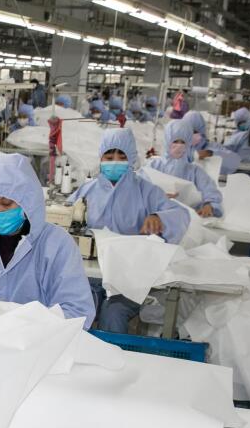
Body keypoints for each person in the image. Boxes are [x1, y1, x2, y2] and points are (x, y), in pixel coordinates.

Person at [0, 152, 94, 324]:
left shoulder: (56, 245)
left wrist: (23, 329)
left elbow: (77, 311)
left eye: (6, 203)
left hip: (38, 346)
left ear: (27, 200)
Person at [69, 128, 188, 333]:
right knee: (79, 310)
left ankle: (112, 362)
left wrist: (158, 217)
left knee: (113, 313)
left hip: (128, 278)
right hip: (90, 276)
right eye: (109, 155)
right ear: (101, 157)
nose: (114, 160)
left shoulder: (146, 191)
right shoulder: (86, 191)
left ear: (131, 158)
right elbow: (64, 216)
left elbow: (180, 215)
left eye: (121, 156)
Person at [145, 118, 222, 218]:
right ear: (167, 141)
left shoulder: (195, 172)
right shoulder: (153, 166)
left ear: (189, 143)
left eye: (183, 142)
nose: (179, 146)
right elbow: (140, 191)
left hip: (188, 219)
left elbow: (210, 190)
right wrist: (157, 198)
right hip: (154, 217)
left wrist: (210, 205)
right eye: (175, 141)